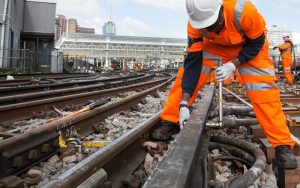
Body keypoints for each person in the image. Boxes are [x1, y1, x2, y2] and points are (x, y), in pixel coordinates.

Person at [152, 0, 297, 169]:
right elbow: (193, 62)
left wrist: (233, 64)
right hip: (214, 46)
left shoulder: (243, 11)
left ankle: (282, 146)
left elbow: (256, 42)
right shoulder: (195, 25)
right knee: (184, 76)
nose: (211, 29)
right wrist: (184, 103)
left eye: (214, 24)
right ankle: (171, 120)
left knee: (263, 90)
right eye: (206, 27)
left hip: (249, 46)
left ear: (221, 9)